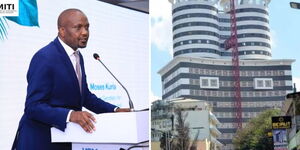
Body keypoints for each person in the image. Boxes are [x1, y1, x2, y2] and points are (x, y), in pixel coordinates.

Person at [12, 8, 130, 150]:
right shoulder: (45, 57)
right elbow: (33, 106)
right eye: (78, 27)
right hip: (39, 140)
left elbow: (84, 97)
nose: (85, 32)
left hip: (64, 139)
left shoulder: (78, 57)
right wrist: (70, 115)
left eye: (87, 27)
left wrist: (115, 111)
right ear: (61, 31)